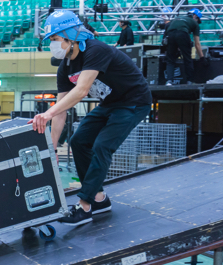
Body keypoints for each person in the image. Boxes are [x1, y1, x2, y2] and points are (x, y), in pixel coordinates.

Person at [29, 11, 152, 227]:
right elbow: (59, 110)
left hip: (134, 101)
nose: (52, 45)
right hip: (111, 104)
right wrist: (53, 148)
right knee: (78, 141)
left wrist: (46, 113)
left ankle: (84, 207)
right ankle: (100, 199)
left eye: (55, 39)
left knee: (102, 146)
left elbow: (82, 90)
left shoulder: (96, 50)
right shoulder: (65, 67)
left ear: (69, 36)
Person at [165, 9, 204, 85]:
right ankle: (190, 81)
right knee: (187, 58)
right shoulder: (195, 24)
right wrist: (202, 57)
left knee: (170, 59)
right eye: (198, 20)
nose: (197, 22)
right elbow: (197, 44)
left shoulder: (177, 18)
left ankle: (169, 81)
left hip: (170, 35)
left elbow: (167, 26)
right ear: (195, 16)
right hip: (183, 34)